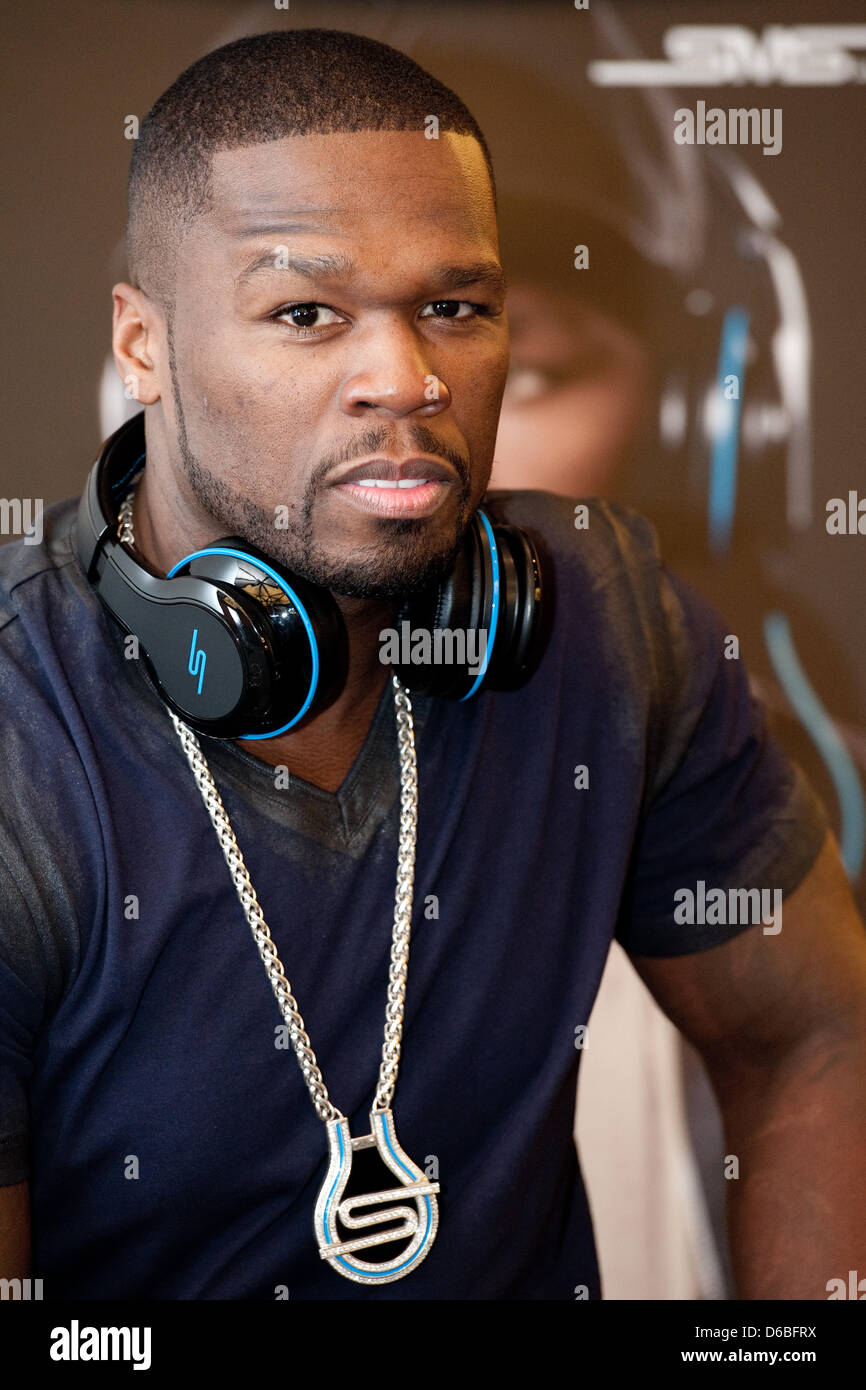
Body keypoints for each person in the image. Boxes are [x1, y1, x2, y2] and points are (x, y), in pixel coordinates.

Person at [0, 28, 864, 1301]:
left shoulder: (605, 626)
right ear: (143, 348)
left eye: (454, 308)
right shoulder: (25, 744)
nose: (403, 381)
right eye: (306, 312)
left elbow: (810, 1033)